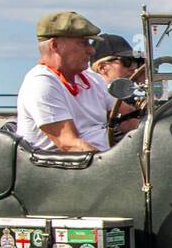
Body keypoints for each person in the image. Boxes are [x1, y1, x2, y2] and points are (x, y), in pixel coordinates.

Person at [16, 11, 117, 153]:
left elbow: (127, 117)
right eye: (83, 43)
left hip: (94, 164)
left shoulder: (91, 79)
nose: (91, 50)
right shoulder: (41, 83)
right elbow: (69, 145)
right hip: (67, 170)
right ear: (55, 45)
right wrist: (112, 164)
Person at [89, 33, 145, 138]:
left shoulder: (130, 99)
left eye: (136, 62)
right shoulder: (93, 97)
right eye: (127, 62)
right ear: (102, 68)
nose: (133, 68)